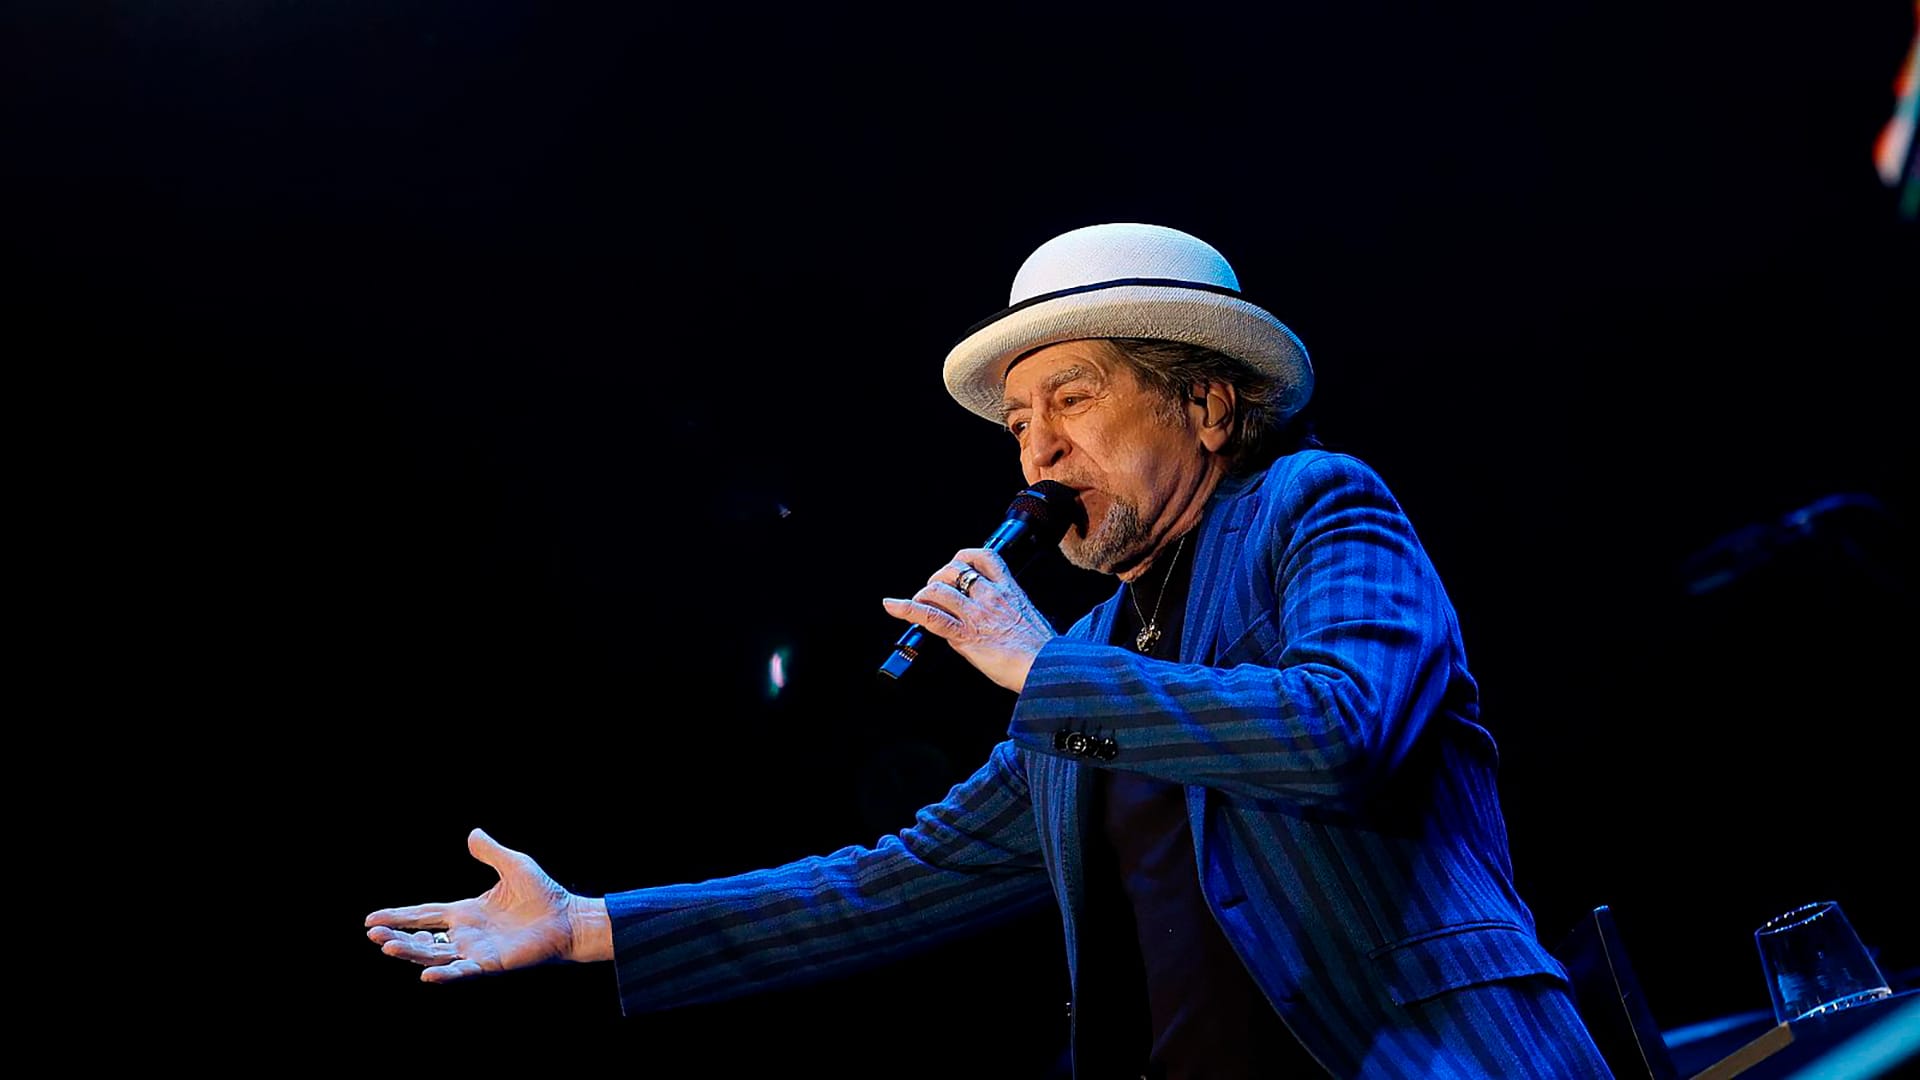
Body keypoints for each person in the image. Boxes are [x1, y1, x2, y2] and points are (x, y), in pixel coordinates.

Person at [366, 222, 1613, 1078]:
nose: (1038, 451)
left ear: (1205, 404)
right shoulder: (1094, 659)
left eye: (1073, 398)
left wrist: (1034, 666)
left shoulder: (1313, 505)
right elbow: (902, 878)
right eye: (1018, 422)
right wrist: (591, 924)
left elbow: (1340, 732)